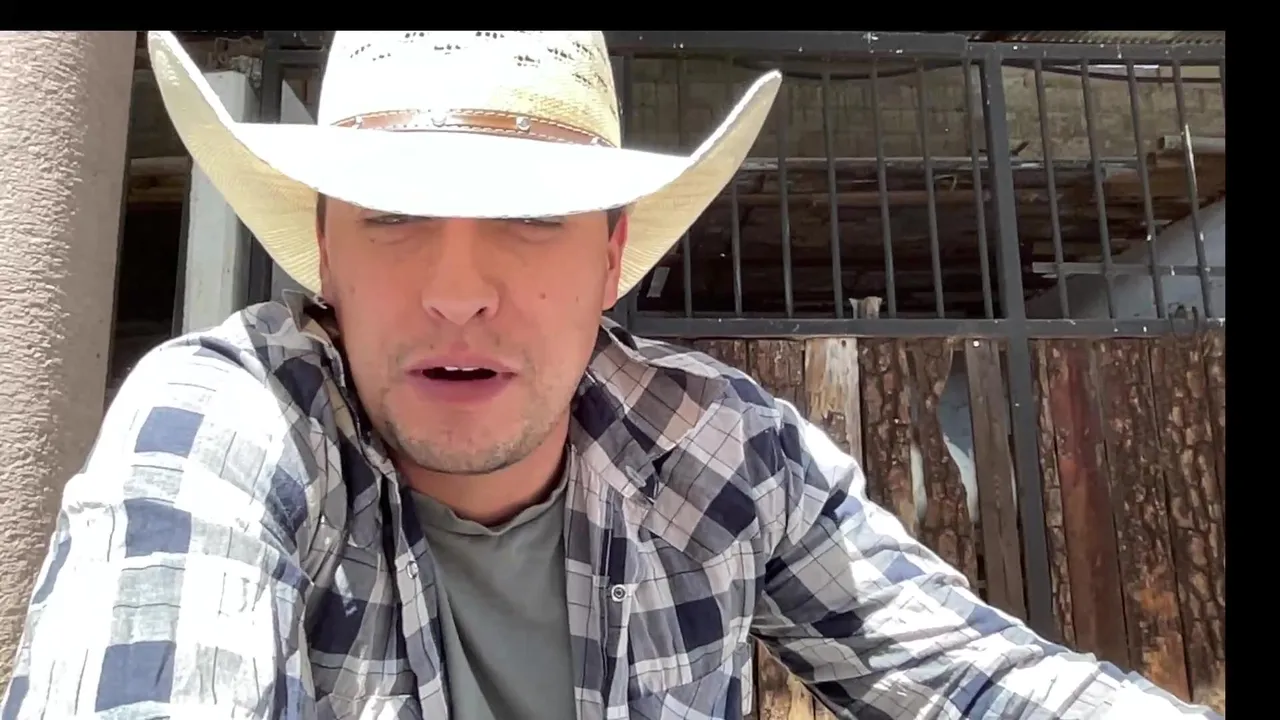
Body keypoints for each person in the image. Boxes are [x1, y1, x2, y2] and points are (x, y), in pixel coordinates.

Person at [1, 30, 1220, 720]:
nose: (457, 292)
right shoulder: (229, 425)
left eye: (529, 216)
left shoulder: (719, 453)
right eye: (391, 214)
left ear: (611, 257)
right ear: (322, 252)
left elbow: (980, 681)